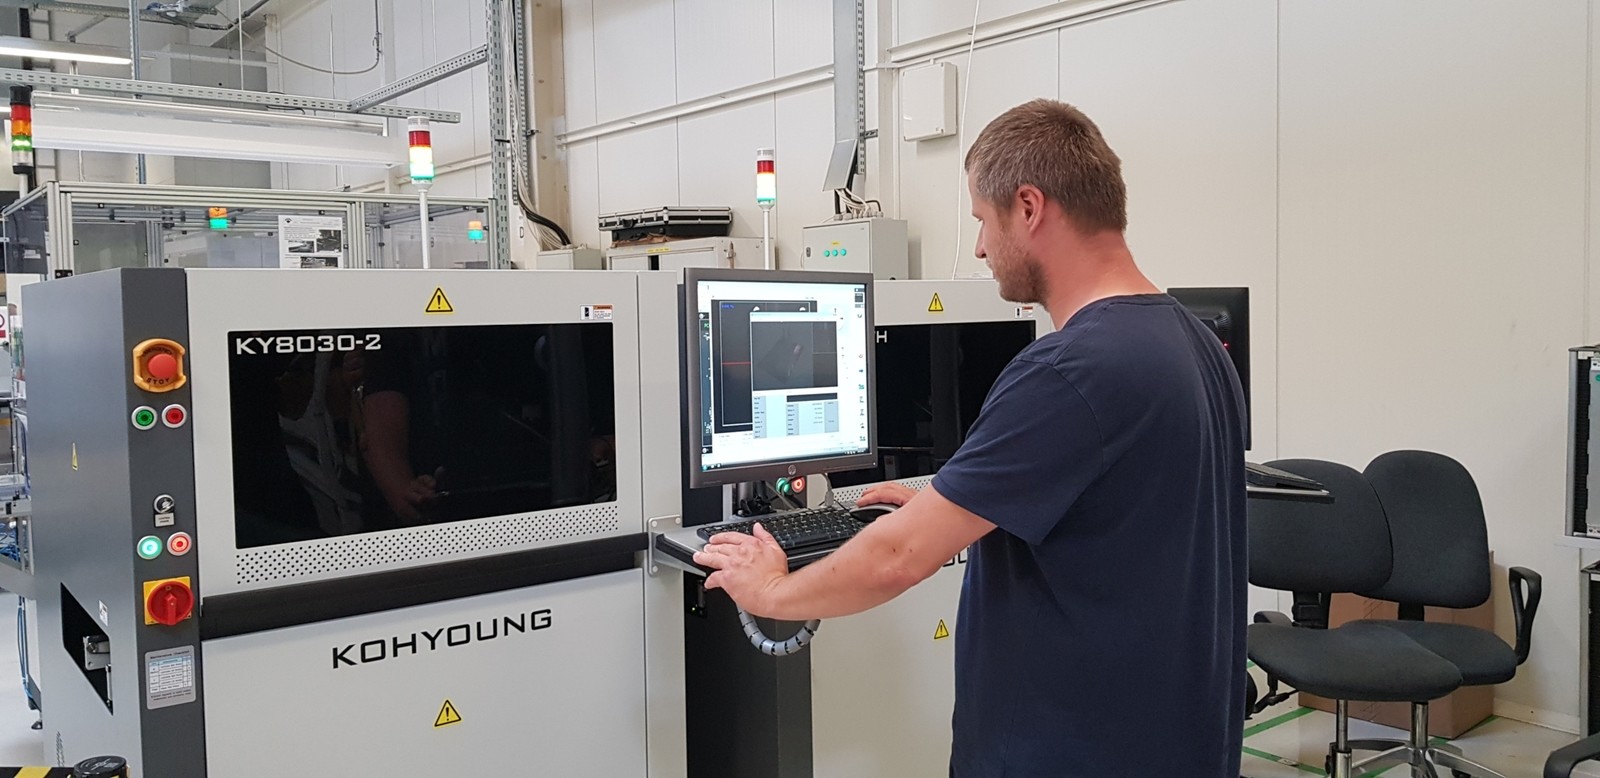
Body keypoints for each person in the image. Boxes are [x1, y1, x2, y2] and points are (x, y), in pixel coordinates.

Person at [694, 98, 1248, 777]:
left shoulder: (1067, 370)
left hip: (1066, 750)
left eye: (982, 220)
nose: (981, 246)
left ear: (1029, 207)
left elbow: (897, 558)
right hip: (1176, 741)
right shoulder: (1197, 342)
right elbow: (1125, 523)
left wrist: (771, 592)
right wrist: (953, 508)